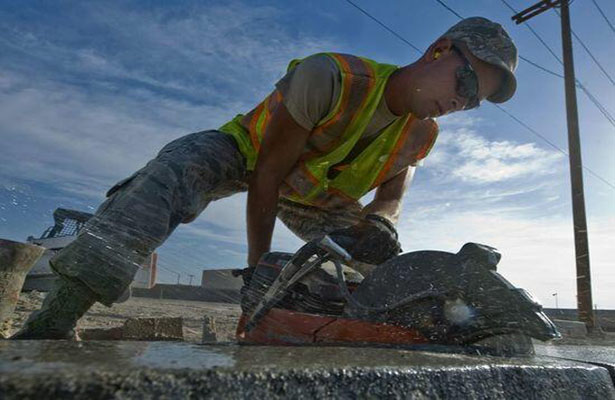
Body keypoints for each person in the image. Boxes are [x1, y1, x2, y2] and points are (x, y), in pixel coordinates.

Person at [13, 16, 518, 339]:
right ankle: (55, 316)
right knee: (175, 169)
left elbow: (391, 195)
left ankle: (352, 332)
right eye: (465, 80)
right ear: (437, 49)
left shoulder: (422, 134)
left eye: (473, 101)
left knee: (381, 262)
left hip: (317, 197)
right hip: (249, 156)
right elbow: (268, 174)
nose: (461, 101)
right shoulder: (334, 77)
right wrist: (257, 274)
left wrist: (381, 225)